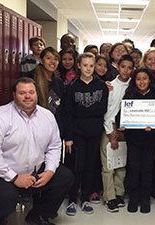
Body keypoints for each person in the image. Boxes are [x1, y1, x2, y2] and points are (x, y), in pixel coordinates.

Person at [0, 77, 74, 225]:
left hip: (33, 170)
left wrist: (49, 171)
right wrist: (14, 177)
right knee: (6, 196)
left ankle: (38, 215)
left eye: (31, 92)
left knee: (65, 177)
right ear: (14, 95)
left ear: (37, 93)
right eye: (22, 93)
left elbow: (54, 146)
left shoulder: (47, 116)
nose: (28, 96)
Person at [65, 52, 109, 215]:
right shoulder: (72, 87)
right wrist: (68, 136)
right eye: (85, 65)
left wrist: (82, 111)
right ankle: (71, 199)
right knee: (77, 166)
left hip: (94, 132)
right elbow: (68, 113)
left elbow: (102, 109)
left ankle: (85, 198)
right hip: (76, 134)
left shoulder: (102, 86)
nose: (88, 69)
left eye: (91, 65)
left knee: (91, 165)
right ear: (79, 66)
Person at [122, 67, 155, 214]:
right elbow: (121, 115)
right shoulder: (129, 95)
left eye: (145, 78)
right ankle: (133, 197)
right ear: (134, 81)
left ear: (150, 80)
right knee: (133, 168)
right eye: (138, 79)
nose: (141, 81)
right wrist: (122, 124)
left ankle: (145, 198)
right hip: (133, 139)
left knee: (147, 169)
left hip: (150, 139)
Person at [100, 54, 134, 212]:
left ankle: (119, 193)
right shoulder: (110, 86)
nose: (126, 70)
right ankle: (110, 197)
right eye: (123, 66)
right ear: (117, 67)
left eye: (129, 67)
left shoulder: (133, 86)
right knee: (108, 165)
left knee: (121, 164)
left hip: (126, 130)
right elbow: (107, 111)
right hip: (110, 128)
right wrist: (110, 132)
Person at [33, 47, 66, 139]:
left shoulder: (58, 81)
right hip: (37, 129)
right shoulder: (32, 79)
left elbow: (63, 107)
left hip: (55, 128)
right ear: (41, 60)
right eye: (48, 58)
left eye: (56, 59)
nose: (53, 61)